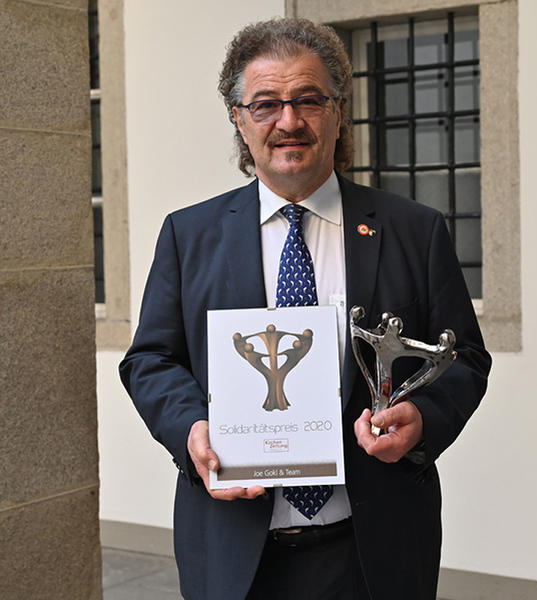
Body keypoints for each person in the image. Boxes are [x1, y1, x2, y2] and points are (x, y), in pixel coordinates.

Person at [120, 17, 491, 600]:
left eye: (309, 100)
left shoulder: (413, 231)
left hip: (374, 549)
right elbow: (150, 361)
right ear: (239, 119)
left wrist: (422, 418)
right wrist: (192, 429)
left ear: (338, 112)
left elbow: (463, 357)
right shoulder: (188, 236)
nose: (289, 121)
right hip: (233, 548)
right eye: (266, 104)